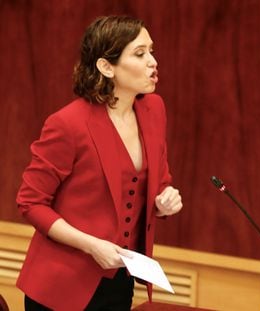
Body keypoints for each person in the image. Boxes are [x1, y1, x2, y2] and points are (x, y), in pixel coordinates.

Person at [16, 15, 183, 311]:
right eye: (140, 53)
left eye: (152, 51)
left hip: (120, 277)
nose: (153, 62)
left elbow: (157, 182)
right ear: (106, 66)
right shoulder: (68, 124)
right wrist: (91, 245)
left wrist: (164, 201)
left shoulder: (154, 110)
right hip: (60, 284)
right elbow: (31, 203)